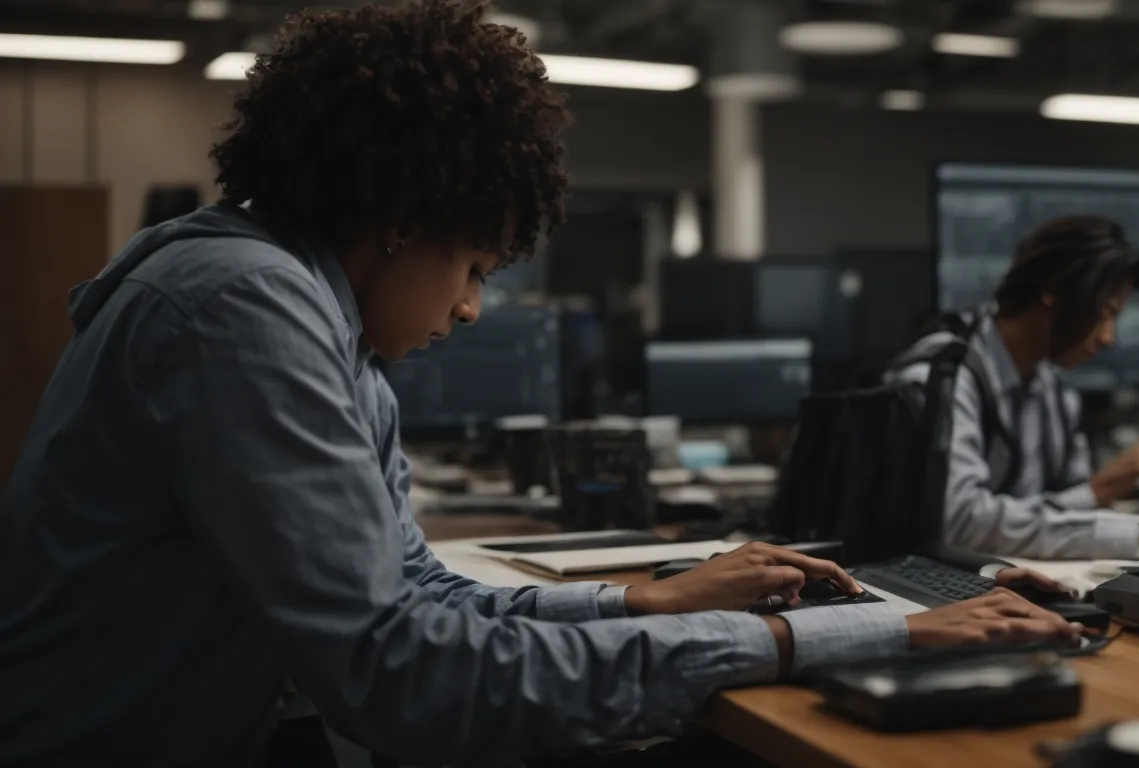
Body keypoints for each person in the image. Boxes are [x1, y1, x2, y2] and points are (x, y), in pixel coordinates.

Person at [0, 2, 1075, 765]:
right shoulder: (246, 310)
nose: (469, 309)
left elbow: (413, 596)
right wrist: (854, 633)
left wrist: (640, 598)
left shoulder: (319, 332)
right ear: (401, 217)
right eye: (472, 268)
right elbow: (406, 677)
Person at [889, 215, 1139, 560]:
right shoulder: (942, 378)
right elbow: (961, 524)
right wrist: (1109, 511)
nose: (1108, 338)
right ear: (1053, 290)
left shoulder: (1052, 390)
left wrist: (1102, 491)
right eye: (1103, 314)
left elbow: (1050, 511)